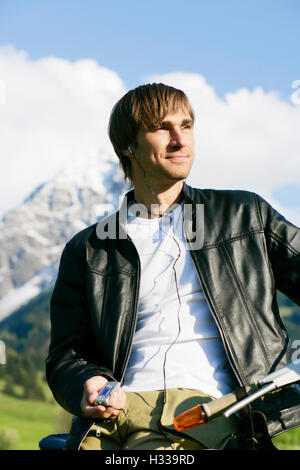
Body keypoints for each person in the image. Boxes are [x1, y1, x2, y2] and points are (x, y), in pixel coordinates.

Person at [46, 83, 300, 451]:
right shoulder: (88, 248)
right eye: (162, 128)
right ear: (127, 148)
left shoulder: (247, 215)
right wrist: (87, 381)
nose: (180, 140)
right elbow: (66, 355)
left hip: (206, 408)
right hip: (112, 415)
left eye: (186, 125)